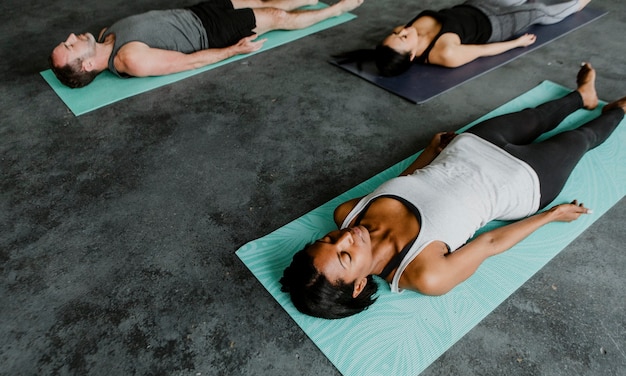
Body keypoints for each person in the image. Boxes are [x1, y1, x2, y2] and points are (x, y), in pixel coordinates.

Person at [280, 63, 626, 319]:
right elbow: (488, 244)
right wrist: (551, 215)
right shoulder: (425, 274)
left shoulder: (347, 213)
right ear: (357, 285)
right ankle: (617, 111)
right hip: (523, 181)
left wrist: (430, 153)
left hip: (470, 147)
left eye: (328, 240)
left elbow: (406, 181)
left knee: (535, 115)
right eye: (345, 256)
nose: (345, 237)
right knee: (581, 139)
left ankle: (582, 96)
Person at [49, 0, 363, 88]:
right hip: (210, 33)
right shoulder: (129, 59)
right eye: (70, 46)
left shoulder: (106, 34)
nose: (72, 37)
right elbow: (187, 62)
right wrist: (231, 50)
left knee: (269, 0)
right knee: (277, 15)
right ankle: (338, 8)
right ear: (88, 65)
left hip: (199, 11)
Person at [337, 0, 590, 76]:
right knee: (540, 9)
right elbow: (481, 50)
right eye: (402, 38)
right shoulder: (444, 54)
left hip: (478, 4)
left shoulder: (405, 29)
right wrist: (517, 42)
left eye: (394, 34)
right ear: (412, 55)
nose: (401, 31)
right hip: (498, 24)